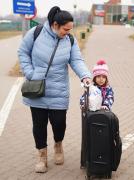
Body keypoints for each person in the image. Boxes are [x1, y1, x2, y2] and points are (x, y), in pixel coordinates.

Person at [18, 6, 91, 173]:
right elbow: (22, 52)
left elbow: (77, 60)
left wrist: (85, 75)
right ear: (55, 24)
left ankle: (58, 145)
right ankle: (41, 156)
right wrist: (30, 73)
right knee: (39, 124)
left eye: (70, 29)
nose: (68, 32)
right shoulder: (35, 33)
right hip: (37, 89)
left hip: (59, 89)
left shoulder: (70, 40)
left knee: (59, 123)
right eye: (66, 29)